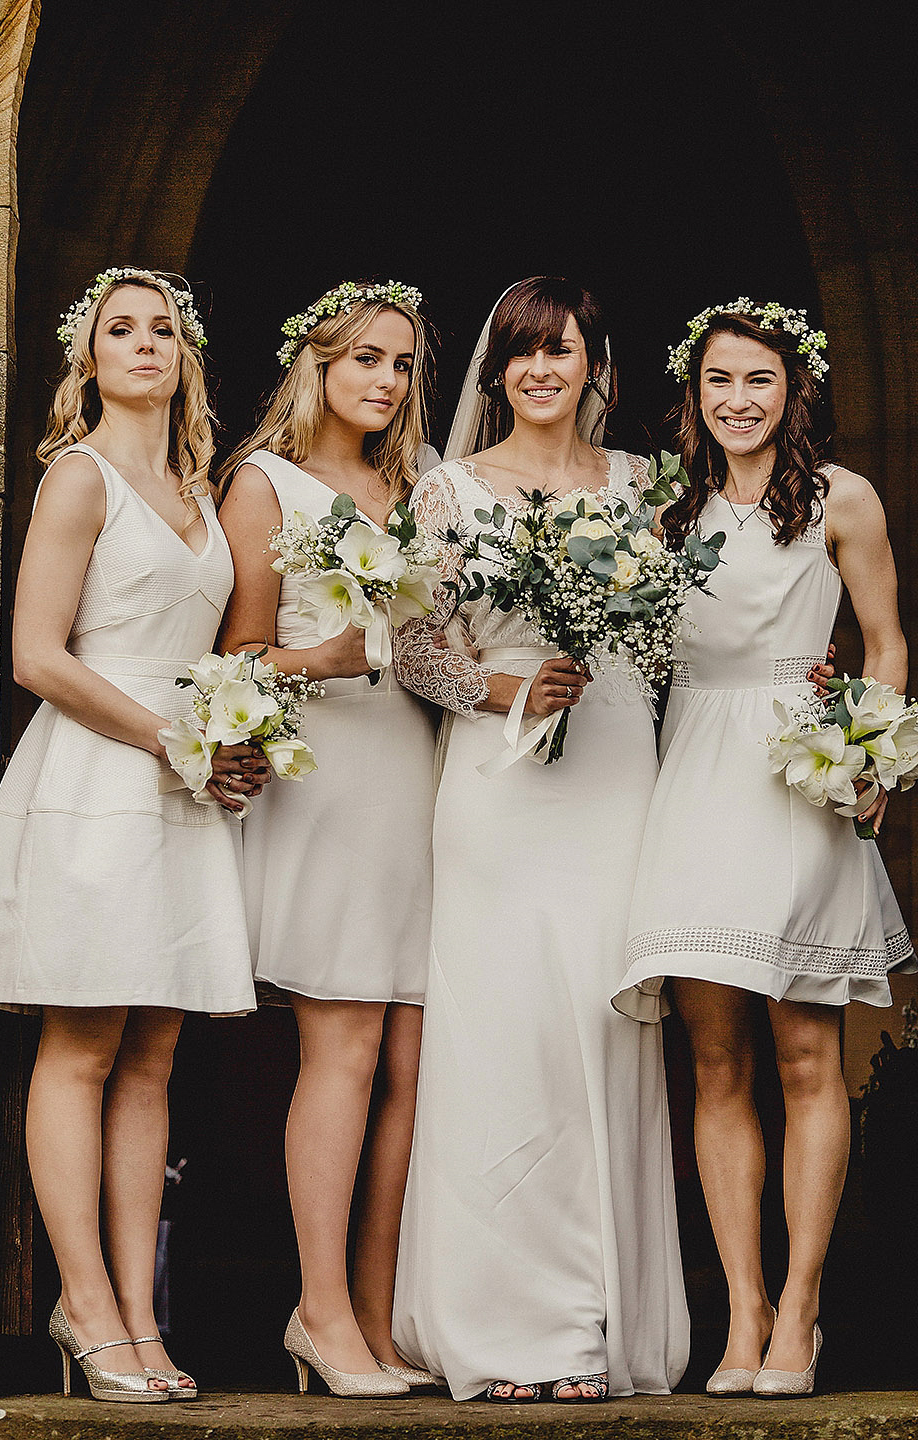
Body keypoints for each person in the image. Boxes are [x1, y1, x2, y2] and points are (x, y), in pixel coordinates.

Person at [0, 268, 270, 1401]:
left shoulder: (195, 487)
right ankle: (83, 1307)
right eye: (119, 330)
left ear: (187, 355)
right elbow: (40, 655)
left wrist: (235, 740)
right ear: (87, 359)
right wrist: (171, 740)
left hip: (180, 791)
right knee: (82, 1048)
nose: (144, 345)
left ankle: (142, 1315)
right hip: (100, 774)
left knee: (154, 1059)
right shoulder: (78, 479)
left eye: (164, 330)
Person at [390, 276, 690, 1403]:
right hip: (499, 784)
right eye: (525, 351)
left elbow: (691, 625)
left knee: (601, 1030)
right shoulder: (450, 489)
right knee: (502, 1039)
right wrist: (503, 683)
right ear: (497, 368)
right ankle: (506, 1331)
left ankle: (599, 1327)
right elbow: (415, 650)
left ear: (598, 366)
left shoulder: (646, 487)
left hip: (615, 772)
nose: (545, 369)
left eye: (567, 350)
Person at [612, 300, 916, 1397]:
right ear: (693, 396)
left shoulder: (845, 501)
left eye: (760, 381)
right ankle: (738, 1312)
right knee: (718, 1061)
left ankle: (802, 1310)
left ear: (797, 391)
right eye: (718, 382)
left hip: (797, 776)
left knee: (805, 1054)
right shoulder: (661, 507)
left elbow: (882, 641)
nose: (737, 400)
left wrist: (868, 752)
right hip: (692, 770)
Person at [216, 281, 438, 1398]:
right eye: (365, 359)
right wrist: (336, 658)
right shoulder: (264, 484)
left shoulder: (418, 483)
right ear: (318, 361)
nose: (385, 381)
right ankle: (318, 1311)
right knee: (343, 1050)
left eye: (400, 363)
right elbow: (239, 657)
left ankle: (381, 1314)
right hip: (330, 781)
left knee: (409, 1058)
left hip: (419, 777)